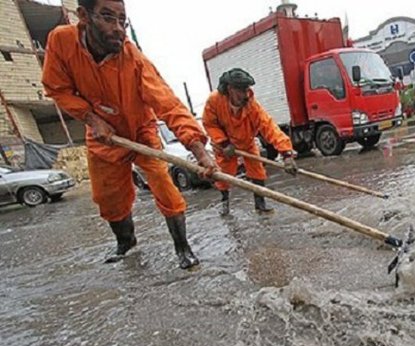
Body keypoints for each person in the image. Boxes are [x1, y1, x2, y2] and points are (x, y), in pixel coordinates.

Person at [41, 0, 218, 269]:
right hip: (101, 134)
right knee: (109, 198)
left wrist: (199, 151)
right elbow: (56, 88)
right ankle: (126, 242)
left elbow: (167, 104)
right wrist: (91, 118)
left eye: (122, 21)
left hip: (140, 130)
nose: (118, 28)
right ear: (83, 16)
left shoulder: (133, 59)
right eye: (108, 18)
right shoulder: (61, 41)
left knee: (165, 187)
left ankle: (183, 247)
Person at [202, 68, 297, 216]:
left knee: (257, 171)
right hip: (225, 145)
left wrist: (286, 154)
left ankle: (260, 205)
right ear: (230, 89)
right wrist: (224, 143)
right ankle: (225, 203)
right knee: (223, 174)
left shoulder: (252, 105)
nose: (246, 95)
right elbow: (210, 124)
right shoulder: (215, 101)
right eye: (241, 91)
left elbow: (269, 126)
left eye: (247, 90)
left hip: (246, 142)